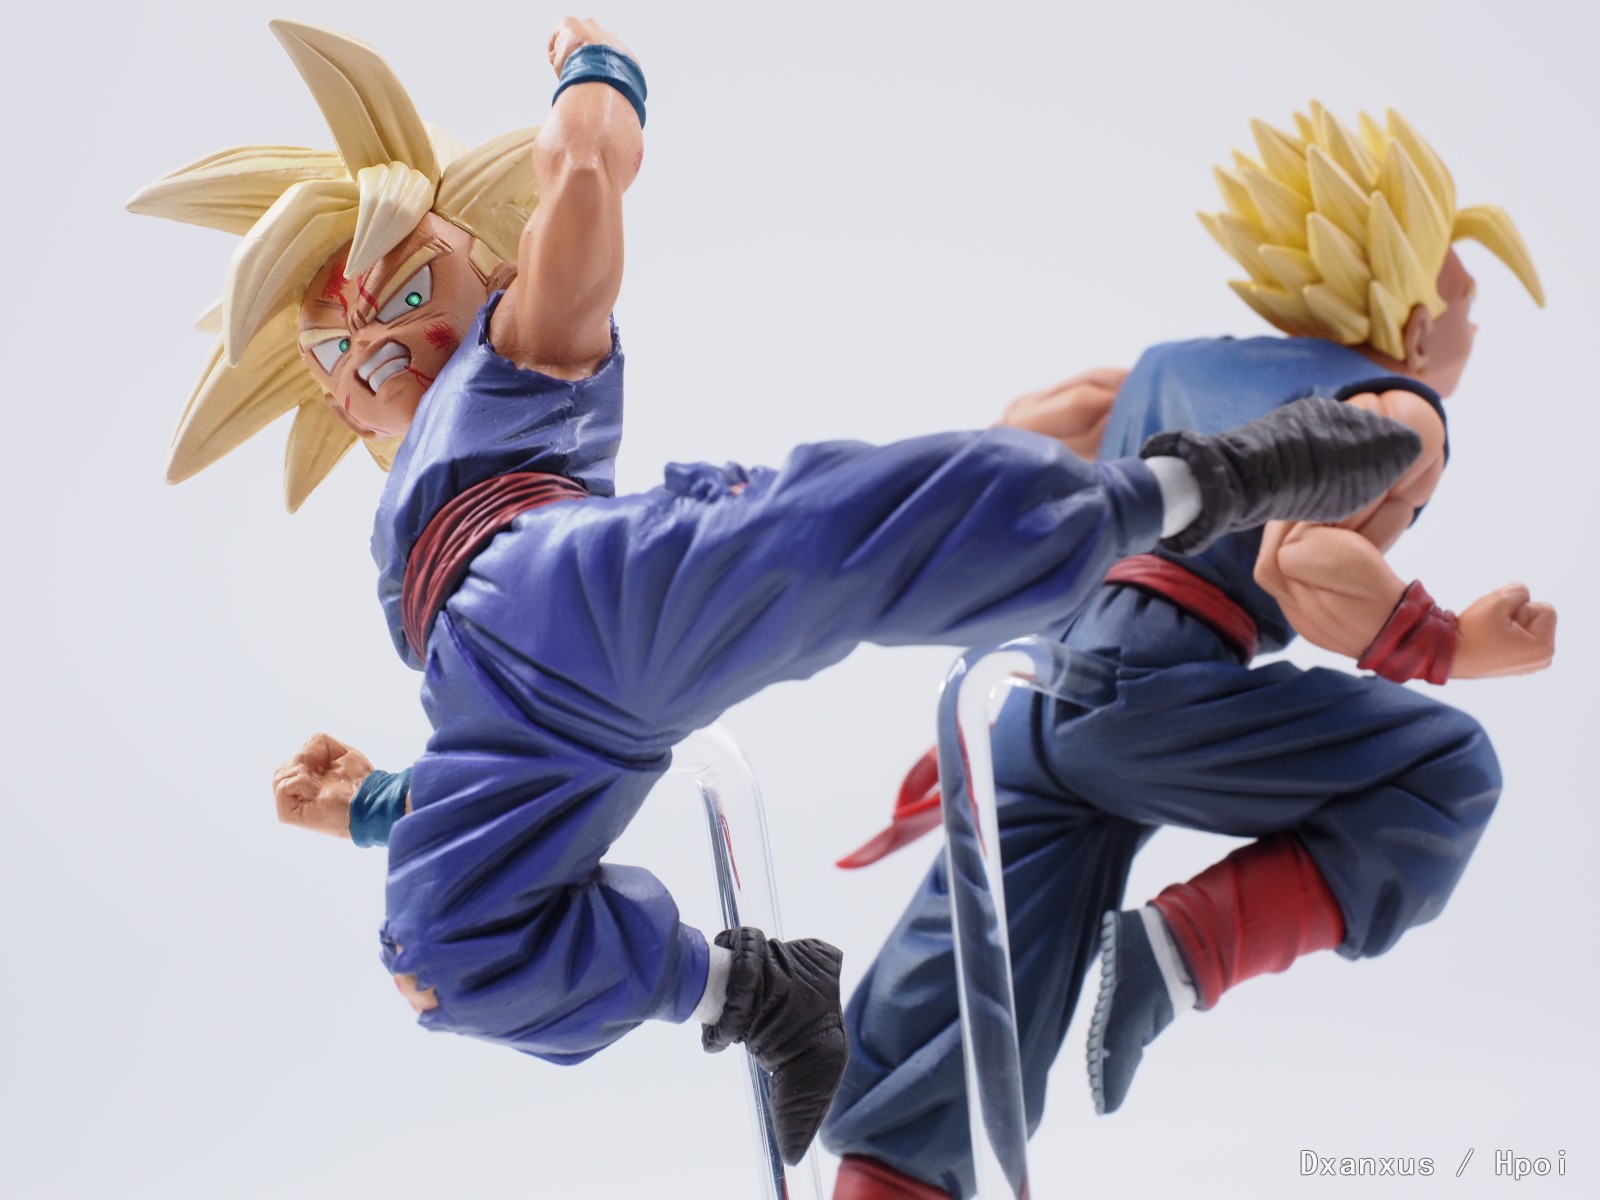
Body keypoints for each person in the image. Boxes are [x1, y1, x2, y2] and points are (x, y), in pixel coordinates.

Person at [130, 31, 1420, 1164]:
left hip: (588, 586)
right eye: (339, 356)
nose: (378, 352)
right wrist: (377, 806)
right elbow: (489, 752)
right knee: (439, 956)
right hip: (503, 710)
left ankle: (1208, 482)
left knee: (825, 539)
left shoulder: (508, 364)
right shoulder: (400, 515)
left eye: (406, 292)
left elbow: (581, 180)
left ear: (481, 263)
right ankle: (756, 994)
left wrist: (596, 79)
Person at [824, 103, 1554, 1198]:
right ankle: (1182, 950)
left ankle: (886, 1177)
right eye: (1467, 304)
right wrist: (1449, 643)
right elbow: (1300, 563)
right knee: (1445, 773)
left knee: (970, 993)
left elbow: (1018, 438)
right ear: (1412, 323)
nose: (1473, 333)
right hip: (1153, 688)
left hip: (1035, 701)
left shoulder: (1169, 365)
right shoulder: (1401, 411)